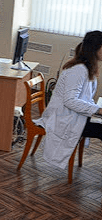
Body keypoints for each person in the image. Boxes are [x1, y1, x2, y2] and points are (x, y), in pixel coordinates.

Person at [36, 31, 102, 169]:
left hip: (75, 116)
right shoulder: (78, 70)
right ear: (95, 48)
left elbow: (84, 98)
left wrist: (96, 111)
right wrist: (98, 110)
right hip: (65, 119)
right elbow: (70, 101)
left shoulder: (88, 67)